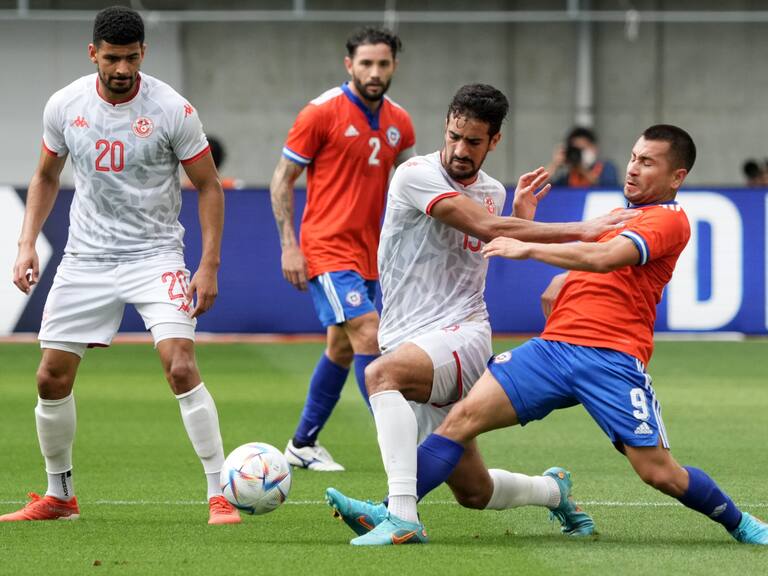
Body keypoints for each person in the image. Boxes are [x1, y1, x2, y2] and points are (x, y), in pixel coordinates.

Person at [392, 124, 768, 545]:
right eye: (632, 157)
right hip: (553, 351)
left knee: (659, 472)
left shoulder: (667, 219)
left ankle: (742, 523)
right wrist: (525, 225)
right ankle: (396, 515)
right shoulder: (625, 216)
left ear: (676, 177)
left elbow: (604, 256)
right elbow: (569, 277)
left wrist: (529, 248)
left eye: (647, 162)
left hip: (610, 359)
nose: (633, 169)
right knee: (459, 420)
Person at [325, 84, 634, 546]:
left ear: (494, 142)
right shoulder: (415, 174)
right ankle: (554, 490)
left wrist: (525, 219)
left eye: (473, 142)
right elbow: (487, 228)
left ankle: (400, 516)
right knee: (473, 490)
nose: (459, 149)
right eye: (454, 136)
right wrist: (573, 225)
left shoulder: (490, 192)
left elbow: (492, 238)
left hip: (462, 334)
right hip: (409, 336)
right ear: (445, 127)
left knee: (380, 376)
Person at [2, 6, 240, 525]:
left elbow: (208, 186)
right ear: (93, 54)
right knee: (49, 378)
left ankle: (219, 493)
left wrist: (209, 264)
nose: (122, 69)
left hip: (155, 255)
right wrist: (25, 244)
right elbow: (45, 177)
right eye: (111, 58)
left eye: (131, 58)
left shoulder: (173, 109)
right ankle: (60, 495)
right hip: (85, 256)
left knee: (180, 365)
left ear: (143, 54)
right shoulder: (65, 105)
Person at [270, 26, 416, 471]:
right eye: (366, 63)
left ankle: (302, 444)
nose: (375, 72)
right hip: (327, 247)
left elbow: (409, 190)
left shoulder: (400, 123)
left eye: (383, 63)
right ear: (349, 64)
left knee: (341, 346)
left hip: (373, 254)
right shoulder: (320, 114)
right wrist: (289, 247)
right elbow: (282, 180)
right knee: (369, 332)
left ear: (393, 66)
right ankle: (401, 451)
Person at [546, 126, 619, 188]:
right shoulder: (569, 176)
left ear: (594, 148)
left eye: (582, 149)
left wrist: (581, 169)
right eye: (576, 150)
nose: (579, 154)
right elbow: (543, 189)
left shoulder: (607, 168)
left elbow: (608, 189)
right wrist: (555, 165)